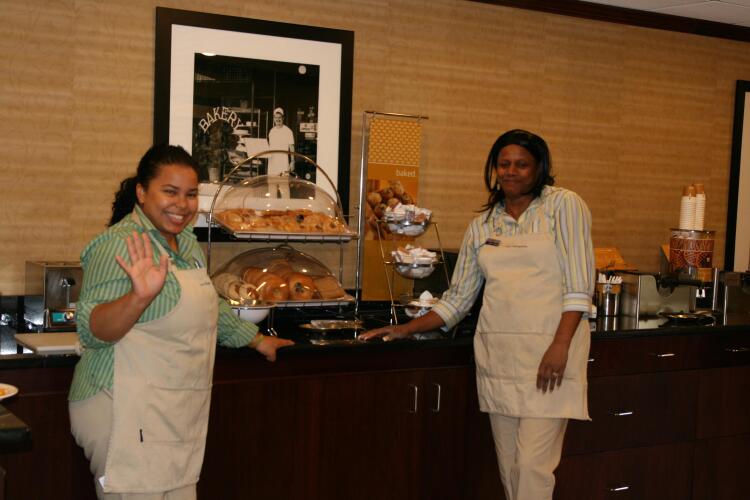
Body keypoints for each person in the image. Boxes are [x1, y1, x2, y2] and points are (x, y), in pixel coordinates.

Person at [360, 129, 594, 500]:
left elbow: (580, 286)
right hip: (499, 357)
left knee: (532, 468)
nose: (511, 171)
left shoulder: (564, 205)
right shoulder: (483, 225)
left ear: (539, 169)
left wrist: (561, 345)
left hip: (550, 355)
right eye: (504, 164)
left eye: (521, 164)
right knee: (509, 468)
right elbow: (458, 300)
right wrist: (405, 328)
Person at [69, 144, 293, 499]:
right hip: (120, 406)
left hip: (171, 410)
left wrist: (256, 339)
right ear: (142, 192)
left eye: (190, 194)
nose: (182, 204)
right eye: (170, 192)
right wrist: (138, 297)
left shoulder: (185, 244)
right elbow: (92, 330)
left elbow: (208, 307)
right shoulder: (119, 245)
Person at [267, 107, 295, 177]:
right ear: (274, 119)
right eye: (276, 117)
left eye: (279, 117)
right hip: (272, 162)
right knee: (272, 182)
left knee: (283, 182)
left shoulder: (288, 131)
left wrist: (292, 161)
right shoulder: (271, 131)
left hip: (283, 161)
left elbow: (291, 147)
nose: (278, 119)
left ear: (283, 118)